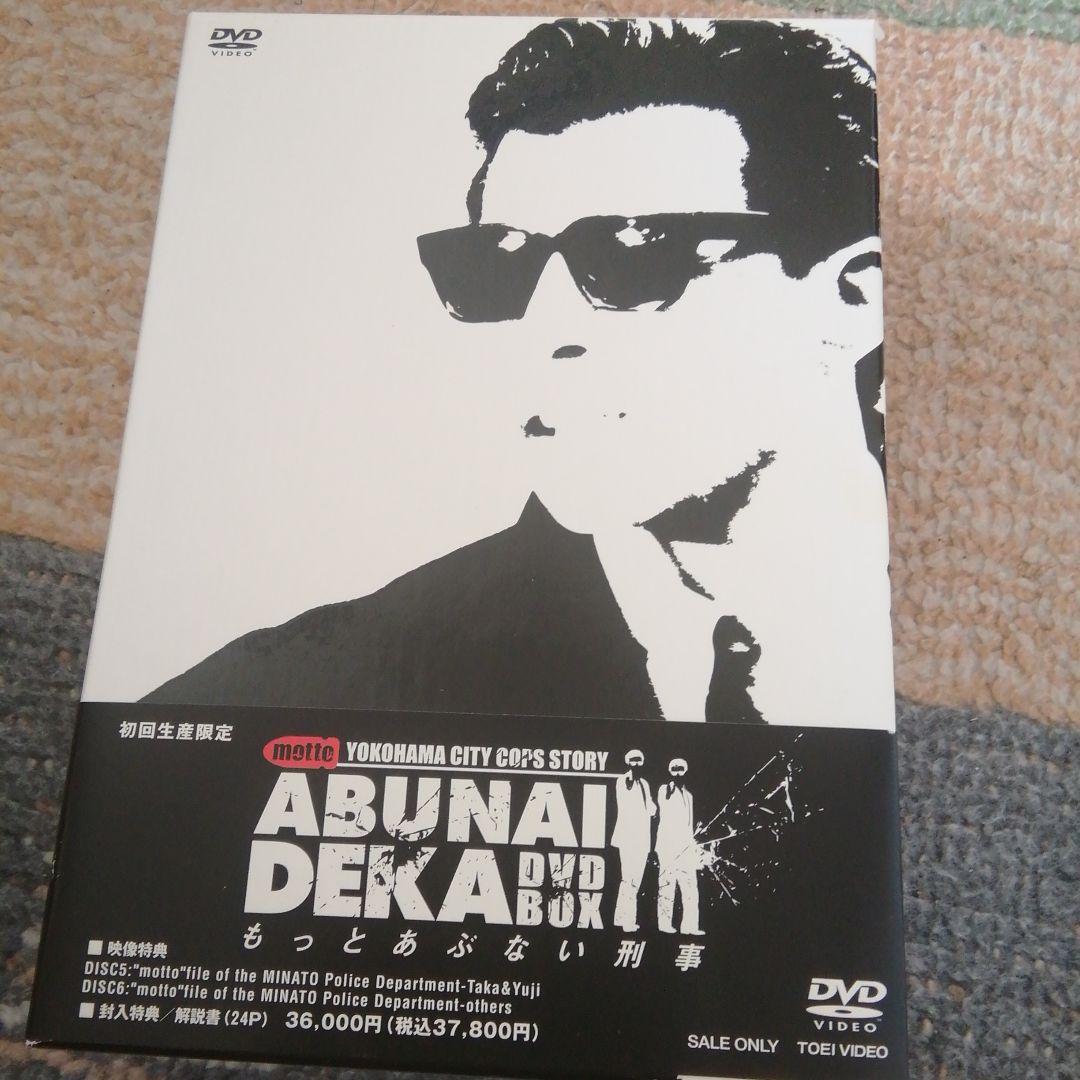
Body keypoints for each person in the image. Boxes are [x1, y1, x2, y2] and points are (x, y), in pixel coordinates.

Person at [147, 19, 891, 729]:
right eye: (499, 266)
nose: (547, 328)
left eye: (633, 257)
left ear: (855, 295)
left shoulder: (927, 646)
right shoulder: (279, 696)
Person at [655, 758, 703, 936]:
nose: (677, 772)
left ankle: (690, 927)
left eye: (680, 769)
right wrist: (671, 787)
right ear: (669, 771)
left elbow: (688, 825)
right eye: (674, 769)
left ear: (686, 771)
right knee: (667, 887)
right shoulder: (665, 790)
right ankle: (664, 925)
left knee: (690, 888)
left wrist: (692, 846)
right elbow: (665, 800)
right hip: (668, 848)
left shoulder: (689, 796)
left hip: (686, 849)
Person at [611, 749, 656, 932]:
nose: (636, 763)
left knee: (634, 880)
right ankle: (628, 921)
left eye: (639, 760)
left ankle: (619, 917)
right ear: (627, 762)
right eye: (633, 760)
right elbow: (626, 795)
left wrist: (653, 808)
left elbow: (650, 808)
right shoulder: (623, 780)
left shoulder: (645, 783)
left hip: (642, 839)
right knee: (629, 879)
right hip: (628, 839)